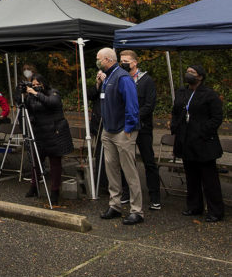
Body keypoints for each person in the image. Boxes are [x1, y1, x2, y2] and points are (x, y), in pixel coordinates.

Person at [170, 64, 224, 223]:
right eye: (187, 72)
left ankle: (215, 211)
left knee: (209, 180)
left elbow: (216, 118)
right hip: (186, 142)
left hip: (203, 143)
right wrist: (176, 127)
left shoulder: (209, 95)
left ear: (200, 76)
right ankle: (194, 206)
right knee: (191, 177)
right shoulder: (182, 92)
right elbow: (176, 111)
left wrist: (202, 131)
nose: (189, 74)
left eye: (192, 72)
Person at [96, 47, 142, 225]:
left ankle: (137, 210)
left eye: (99, 58)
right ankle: (115, 205)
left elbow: (132, 104)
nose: (97, 61)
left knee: (129, 171)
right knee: (111, 170)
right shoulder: (108, 78)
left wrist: (129, 128)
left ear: (108, 59)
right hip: (109, 130)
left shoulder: (122, 78)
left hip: (123, 130)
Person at [118, 50, 161, 210]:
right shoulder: (121, 79)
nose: (123, 63)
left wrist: (133, 116)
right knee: (126, 161)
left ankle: (155, 196)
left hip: (142, 127)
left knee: (148, 161)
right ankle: (126, 193)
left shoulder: (146, 81)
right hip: (125, 127)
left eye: (126, 61)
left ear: (135, 62)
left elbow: (149, 105)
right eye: (121, 60)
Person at [23, 74, 73, 204]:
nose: (35, 87)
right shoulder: (31, 97)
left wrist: (35, 93)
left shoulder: (53, 92)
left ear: (44, 83)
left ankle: (55, 191)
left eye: (38, 84)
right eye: (33, 85)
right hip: (39, 132)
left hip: (54, 132)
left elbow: (52, 103)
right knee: (36, 161)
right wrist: (23, 94)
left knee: (55, 163)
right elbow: (26, 108)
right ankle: (34, 186)